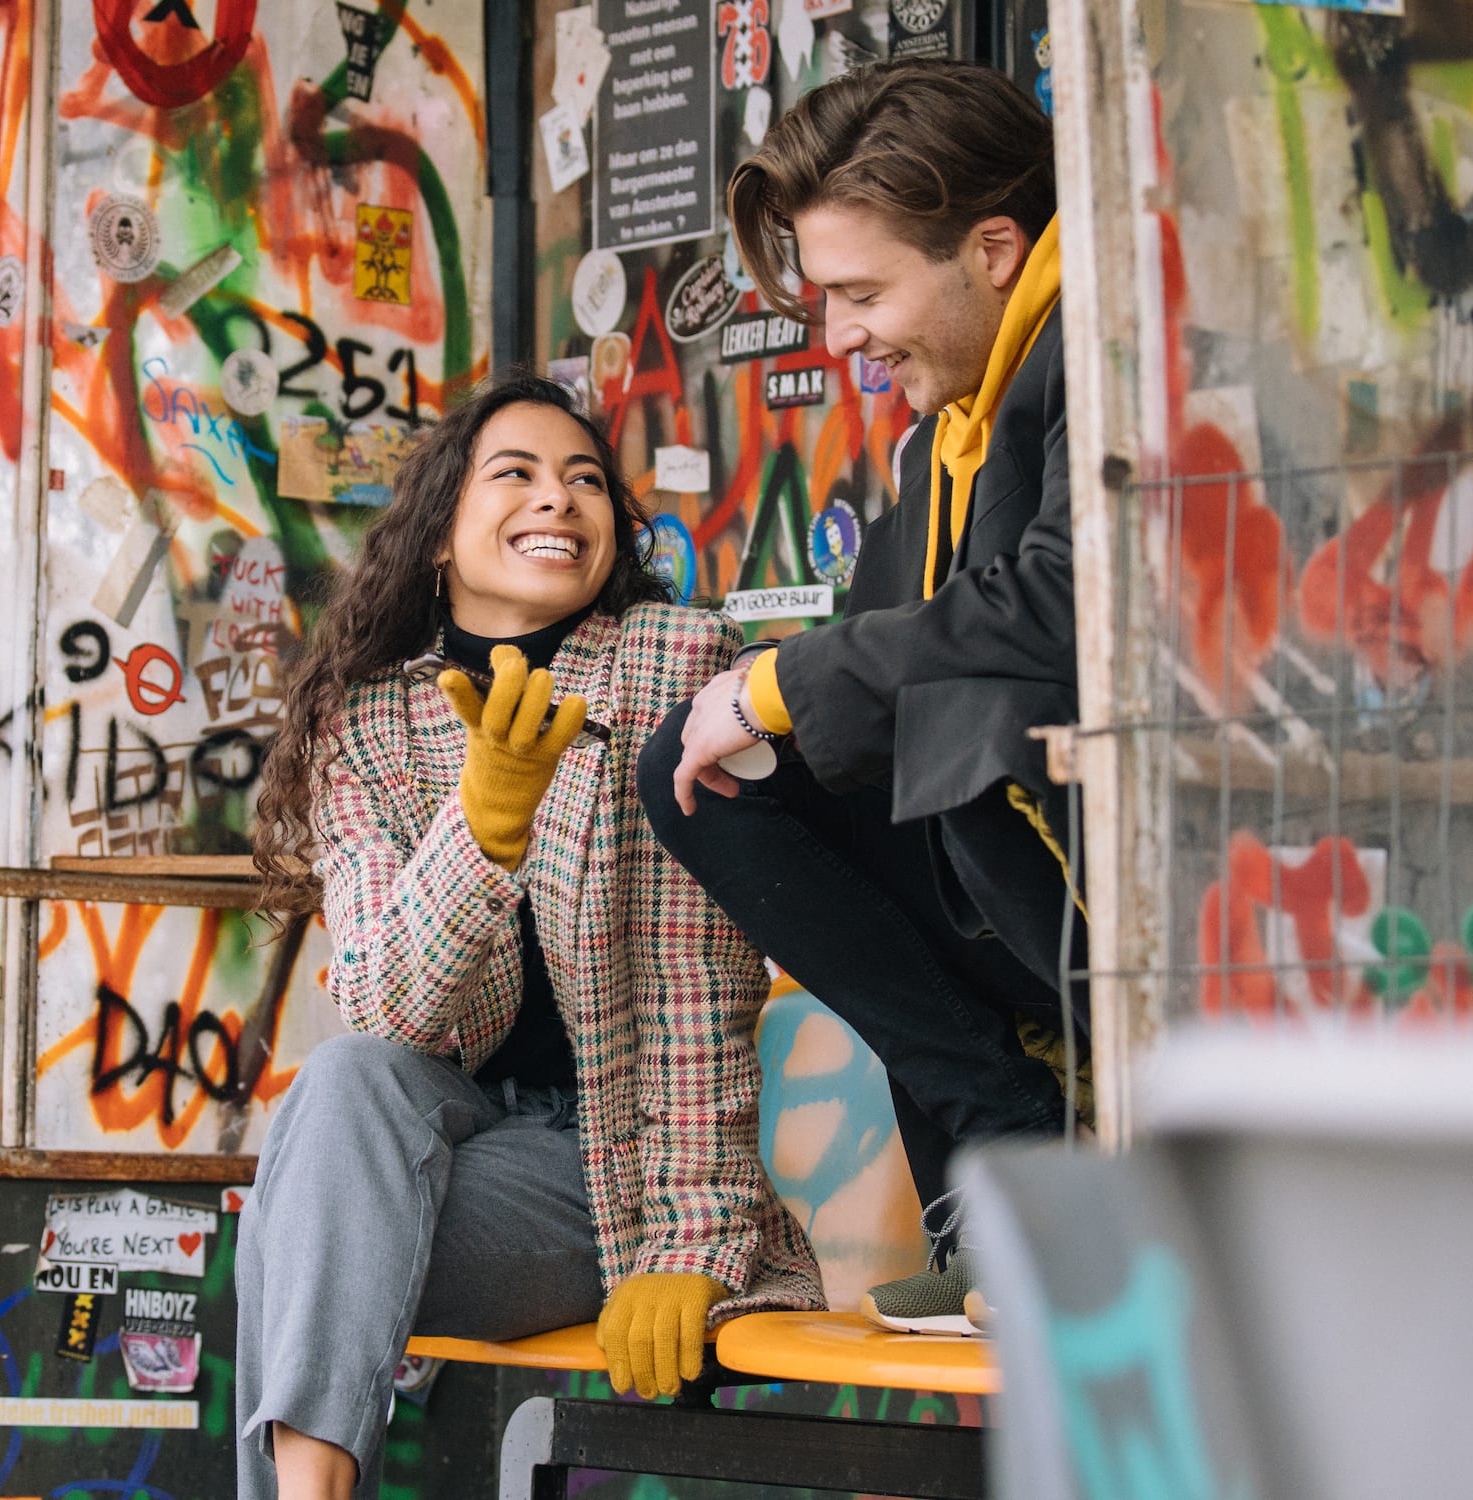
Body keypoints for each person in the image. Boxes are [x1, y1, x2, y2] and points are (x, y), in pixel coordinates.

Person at [237, 375, 823, 1500]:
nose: (557, 499)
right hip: (427, 1138)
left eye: (585, 480)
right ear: (440, 536)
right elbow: (383, 1009)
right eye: (515, 474)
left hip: (597, 1169)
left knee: (290, 1235)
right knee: (348, 1080)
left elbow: (696, 984)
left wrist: (690, 1246)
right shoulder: (360, 722)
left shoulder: (672, 666)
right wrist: (484, 819)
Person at [638, 58, 1083, 1336]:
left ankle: (1021, 1154)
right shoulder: (941, 437)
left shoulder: (1098, 362)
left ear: (993, 249)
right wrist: (760, 703)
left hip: (1133, 901)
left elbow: (1056, 605)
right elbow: (879, 666)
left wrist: (782, 679)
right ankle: (996, 1151)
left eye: (859, 292)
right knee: (704, 771)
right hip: (1007, 894)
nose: (838, 338)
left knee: (864, 709)